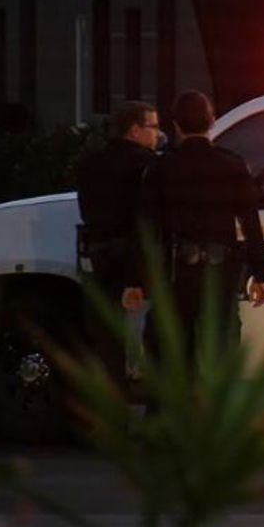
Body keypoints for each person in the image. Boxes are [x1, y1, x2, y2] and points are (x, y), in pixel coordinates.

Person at [121, 91, 264, 366]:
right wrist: (260, 273)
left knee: (174, 357)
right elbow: (250, 221)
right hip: (220, 273)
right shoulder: (232, 164)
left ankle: (178, 407)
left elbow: (145, 228)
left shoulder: (161, 167)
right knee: (220, 354)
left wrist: (134, 280)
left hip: (177, 276)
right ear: (211, 121)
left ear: (175, 125)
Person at [76, 101, 161, 388]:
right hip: (133, 259)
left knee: (106, 339)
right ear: (135, 130)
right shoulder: (148, 165)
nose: (157, 134)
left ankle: (110, 415)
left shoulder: (90, 164)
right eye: (152, 126)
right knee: (149, 334)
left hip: (96, 256)